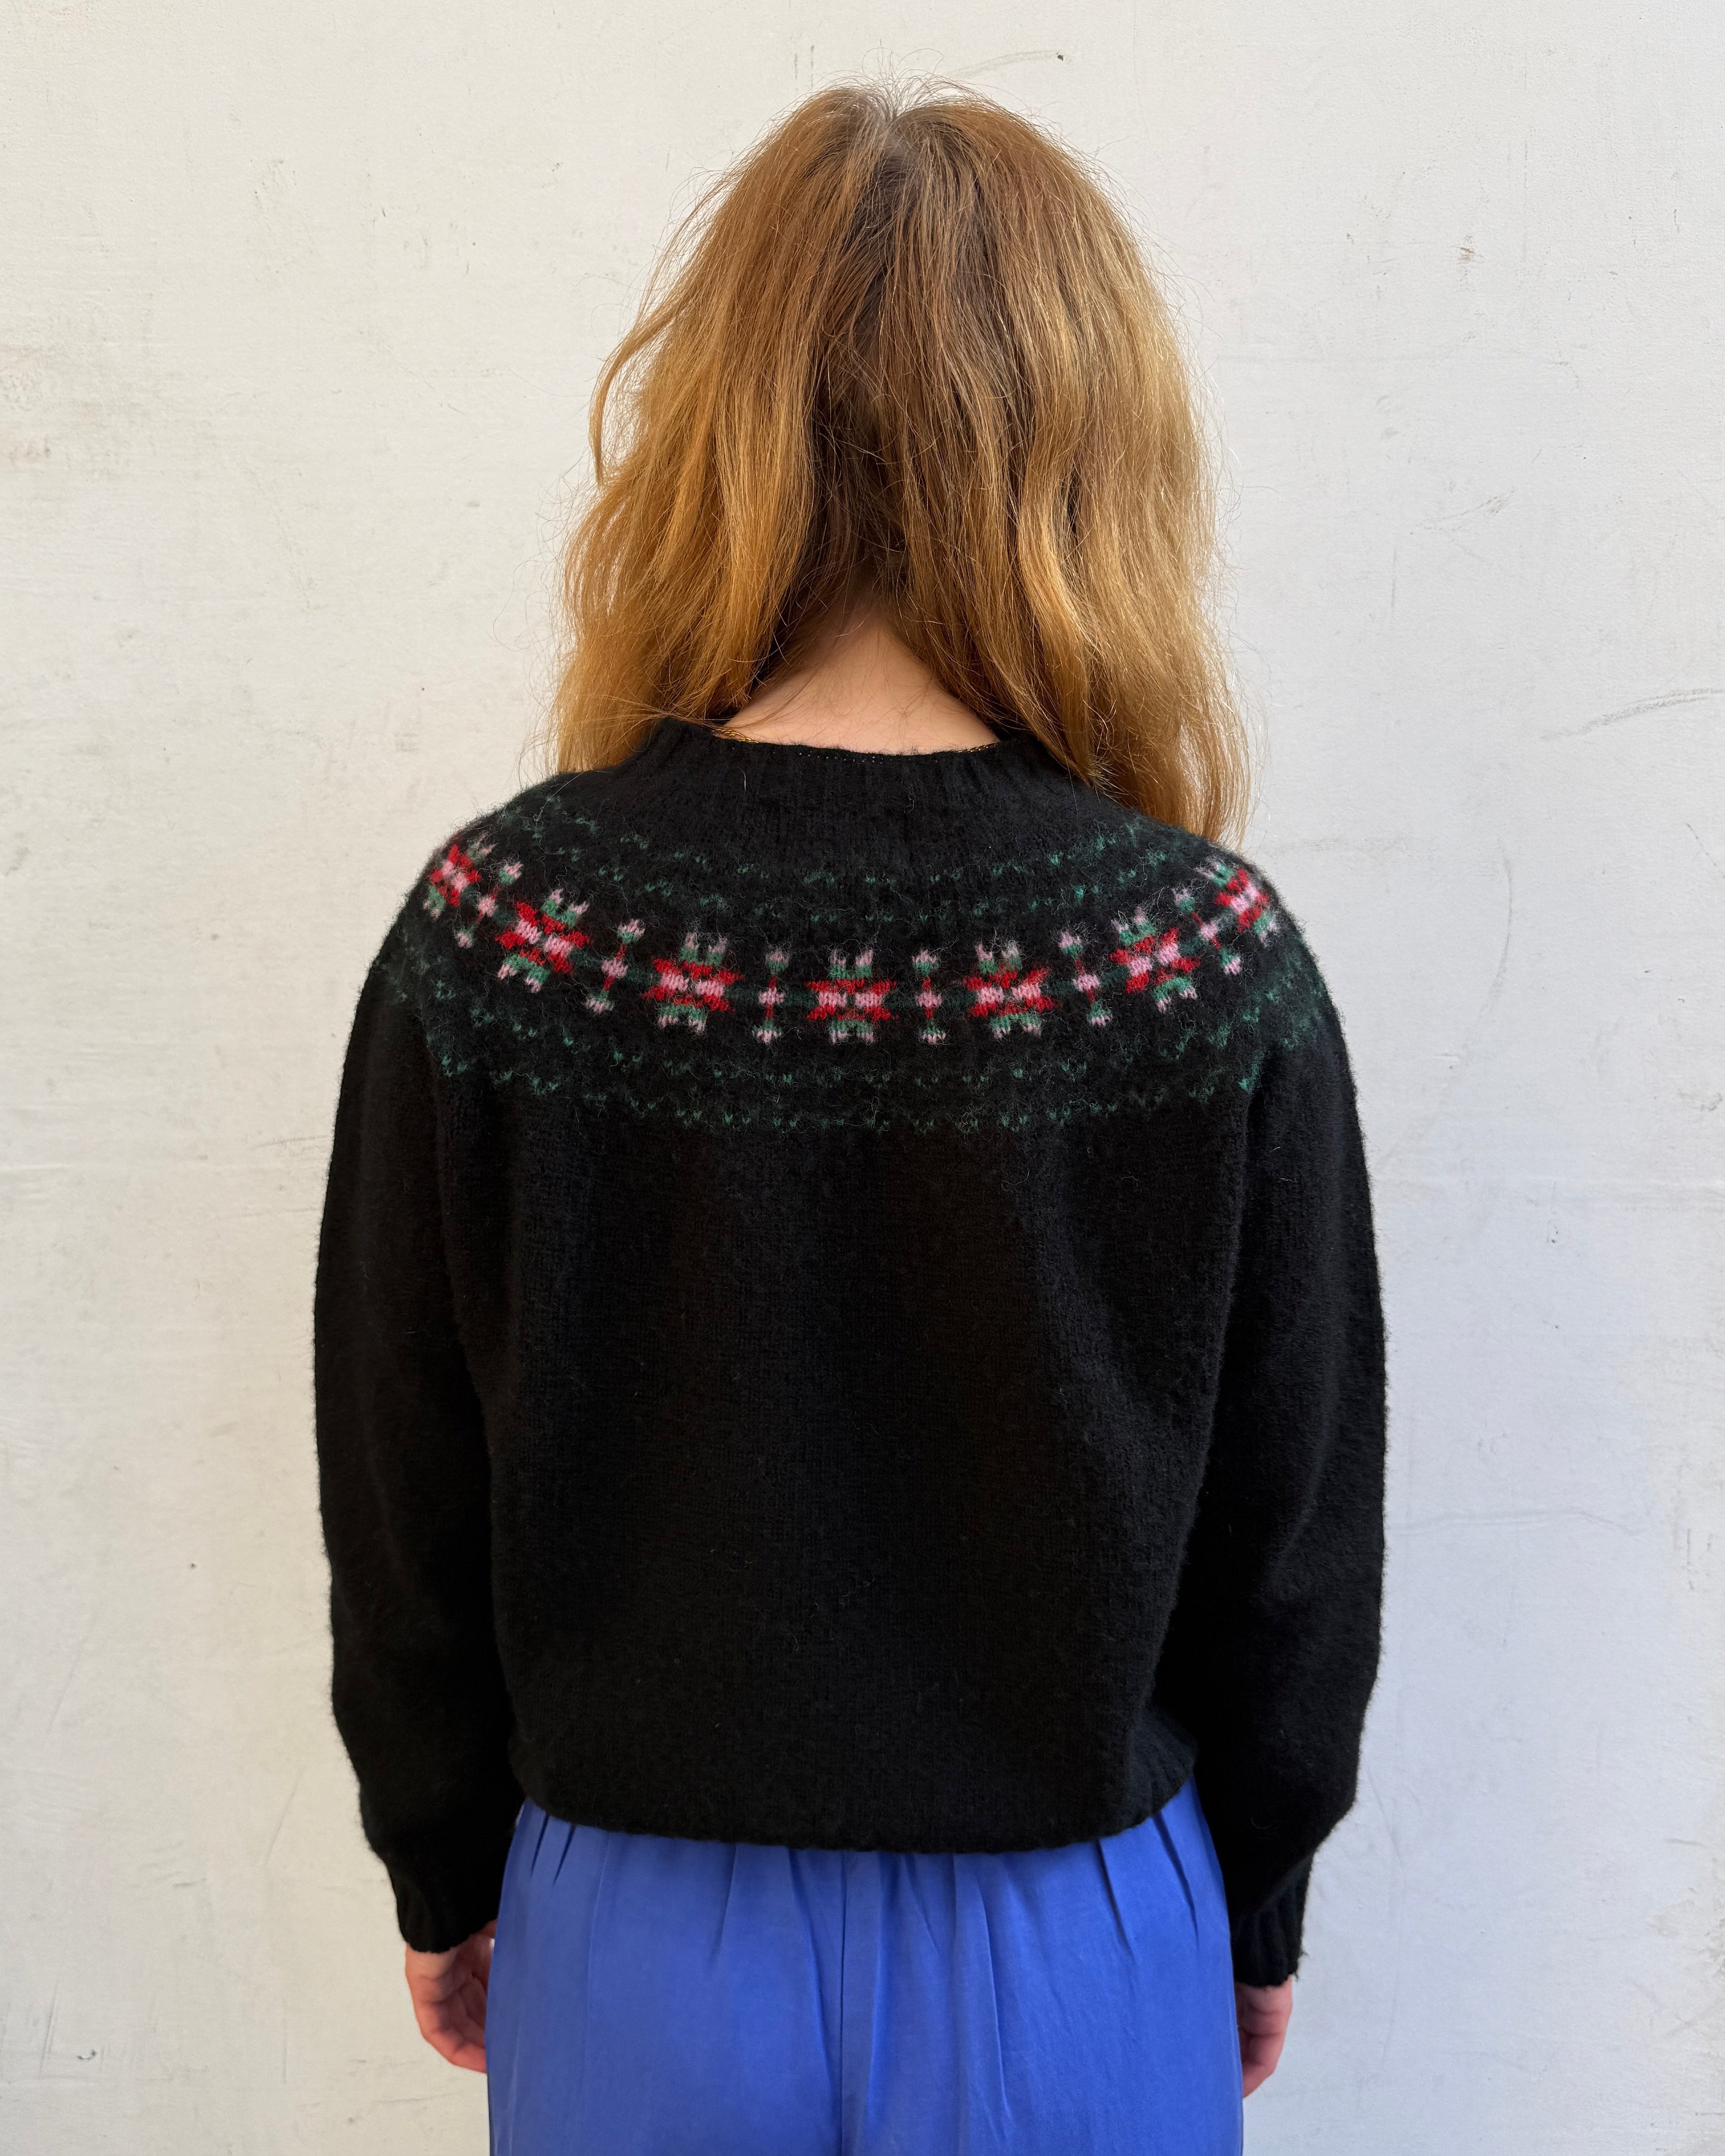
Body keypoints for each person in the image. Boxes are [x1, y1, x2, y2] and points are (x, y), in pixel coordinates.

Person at [313, 79, 1387, 2156]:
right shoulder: (1196, 961)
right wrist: (1253, 1900)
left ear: (715, 427)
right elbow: (1295, 1537)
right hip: (1079, 1934)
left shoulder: (507, 930)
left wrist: (440, 1858)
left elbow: (403, 1472)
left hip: (632, 1938)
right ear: (1089, 448)